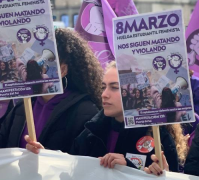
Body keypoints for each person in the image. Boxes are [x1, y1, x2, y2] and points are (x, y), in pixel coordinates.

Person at [25, 61, 188, 172]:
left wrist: (135, 169)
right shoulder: (90, 133)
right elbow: (70, 173)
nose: (104, 94)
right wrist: (44, 155)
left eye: (114, 88)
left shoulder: (157, 137)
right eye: (103, 87)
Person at [0, 28, 102, 153]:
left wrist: (46, 156)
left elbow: (84, 160)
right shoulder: (22, 107)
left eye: (45, 60)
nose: (38, 62)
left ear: (63, 70)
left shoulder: (84, 112)